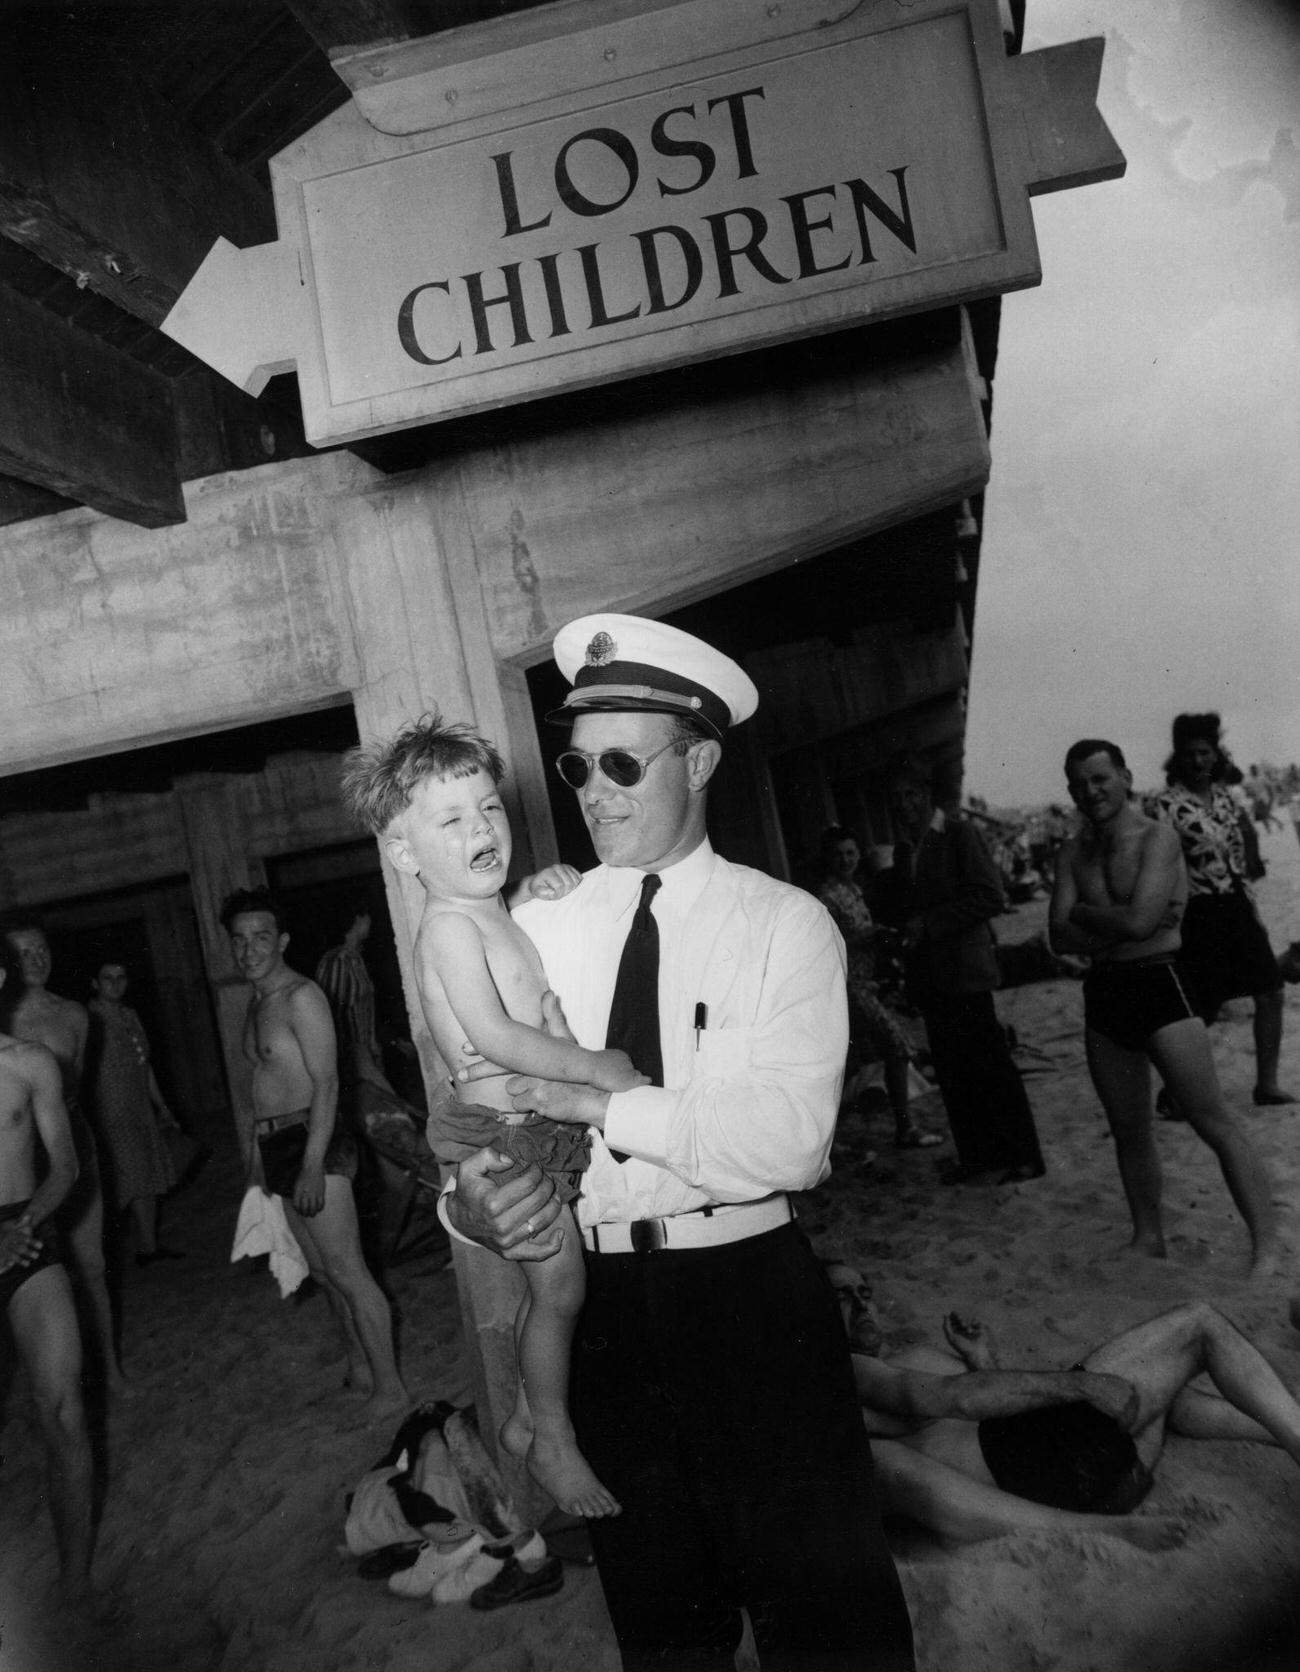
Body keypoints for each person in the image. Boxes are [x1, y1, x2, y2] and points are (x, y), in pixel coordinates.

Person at [445, 614, 916, 1671]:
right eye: (577, 764)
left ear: (699, 760)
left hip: (750, 1295)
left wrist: (600, 1108)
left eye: (622, 761)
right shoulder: (537, 928)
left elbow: (787, 1140)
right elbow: (481, 1116)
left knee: (831, 1621)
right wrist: (466, 1207)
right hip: (600, 1312)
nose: (593, 789)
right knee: (662, 1622)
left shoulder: (784, 924)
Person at [342, 715, 645, 1520]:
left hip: (536, 1131)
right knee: (564, 1289)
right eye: (452, 820)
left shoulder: (484, 911)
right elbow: (497, 1034)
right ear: (405, 854)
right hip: (510, 1144)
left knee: (542, 1295)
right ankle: (549, 1435)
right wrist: (594, 1068)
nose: (481, 828)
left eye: (489, 809)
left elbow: (513, 965)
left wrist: (529, 890)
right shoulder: (444, 929)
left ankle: (519, 1416)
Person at [1050, 739, 1278, 1275]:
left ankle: (1265, 1244)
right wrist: (1114, 922)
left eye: (1101, 778)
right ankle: (1149, 1236)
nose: (1092, 790)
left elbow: (1139, 922)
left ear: (1127, 778)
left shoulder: (1158, 837)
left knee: (1213, 1119)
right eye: (1080, 783)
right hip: (1106, 995)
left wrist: (1087, 913)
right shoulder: (1071, 853)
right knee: (1129, 1130)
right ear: (1070, 789)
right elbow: (1058, 937)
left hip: (1161, 983)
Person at [855, 1301, 1300, 1548]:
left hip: (1094, 1483)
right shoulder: (850, 1372)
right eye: (841, 1294)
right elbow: (958, 1403)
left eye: (864, 1289)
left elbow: (979, 1417)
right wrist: (1082, 1386)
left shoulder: (894, 1368)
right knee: (1199, 1327)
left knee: (1164, 1386)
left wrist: (982, 1362)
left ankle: (1281, 1434)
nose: (860, 1303)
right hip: (1052, 1466)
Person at [221, 887, 410, 1419]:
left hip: (316, 1143)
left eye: (261, 937)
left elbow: (327, 1085)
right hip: (278, 1145)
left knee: (348, 1270)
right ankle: (362, 1365)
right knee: (323, 1273)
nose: (250, 949)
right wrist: (258, 1164)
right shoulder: (258, 1002)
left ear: (281, 940)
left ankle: (391, 1388)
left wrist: (310, 1164)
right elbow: (259, 1088)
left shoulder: (301, 997)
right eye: (240, 940)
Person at [880, 756, 1046, 1185]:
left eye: (912, 795)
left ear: (929, 795)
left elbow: (990, 895)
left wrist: (928, 925)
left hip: (966, 975)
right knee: (955, 1075)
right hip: (931, 980)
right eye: (897, 798)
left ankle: (1024, 1156)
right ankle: (977, 1158)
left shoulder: (959, 834)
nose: (905, 805)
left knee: (991, 1070)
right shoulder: (903, 851)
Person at [0, 942, 97, 1614]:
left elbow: (64, 1165)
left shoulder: (30, 1063)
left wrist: (22, 1225)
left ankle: (75, 1580)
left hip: (26, 1230)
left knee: (62, 1409)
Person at [2, 917, 129, 1393]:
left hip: (68, 1142)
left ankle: (111, 1371)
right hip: (15, 1160)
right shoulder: (4, 1021)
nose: (35, 959)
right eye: (23, 953)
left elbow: (74, 1090)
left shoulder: (75, 1014)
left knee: (91, 1264)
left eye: (41, 950)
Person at [1149, 713, 1292, 1105]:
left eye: (1205, 753)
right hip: (1195, 913)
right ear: (1177, 757)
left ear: (1217, 755)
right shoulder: (1162, 805)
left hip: (1236, 906)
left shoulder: (1226, 799)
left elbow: (1238, 860)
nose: (1198, 761)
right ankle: (1175, 1092)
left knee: (1270, 991)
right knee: (1199, 1009)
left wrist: (1254, 912)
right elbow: (1158, 867)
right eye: (1190, 753)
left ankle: (1266, 1085)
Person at [816, 825, 940, 1149]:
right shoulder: (826, 897)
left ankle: (899, 1128)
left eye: (850, 853)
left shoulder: (854, 889)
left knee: (869, 1057)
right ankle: (905, 1129)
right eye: (838, 854)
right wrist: (870, 935)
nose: (845, 860)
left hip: (866, 985)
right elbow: (825, 945)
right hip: (848, 986)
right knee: (897, 1047)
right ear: (827, 859)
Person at [86, 959, 182, 1266]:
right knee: (123, 1181)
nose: (115, 983)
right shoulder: (88, 1019)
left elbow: (145, 1065)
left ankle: (148, 1248)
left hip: (138, 1107)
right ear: (95, 983)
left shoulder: (130, 1016)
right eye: (107, 977)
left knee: (148, 1176)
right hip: (110, 1111)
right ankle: (98, 1257)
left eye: (121, 976)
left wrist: (162, 1106)